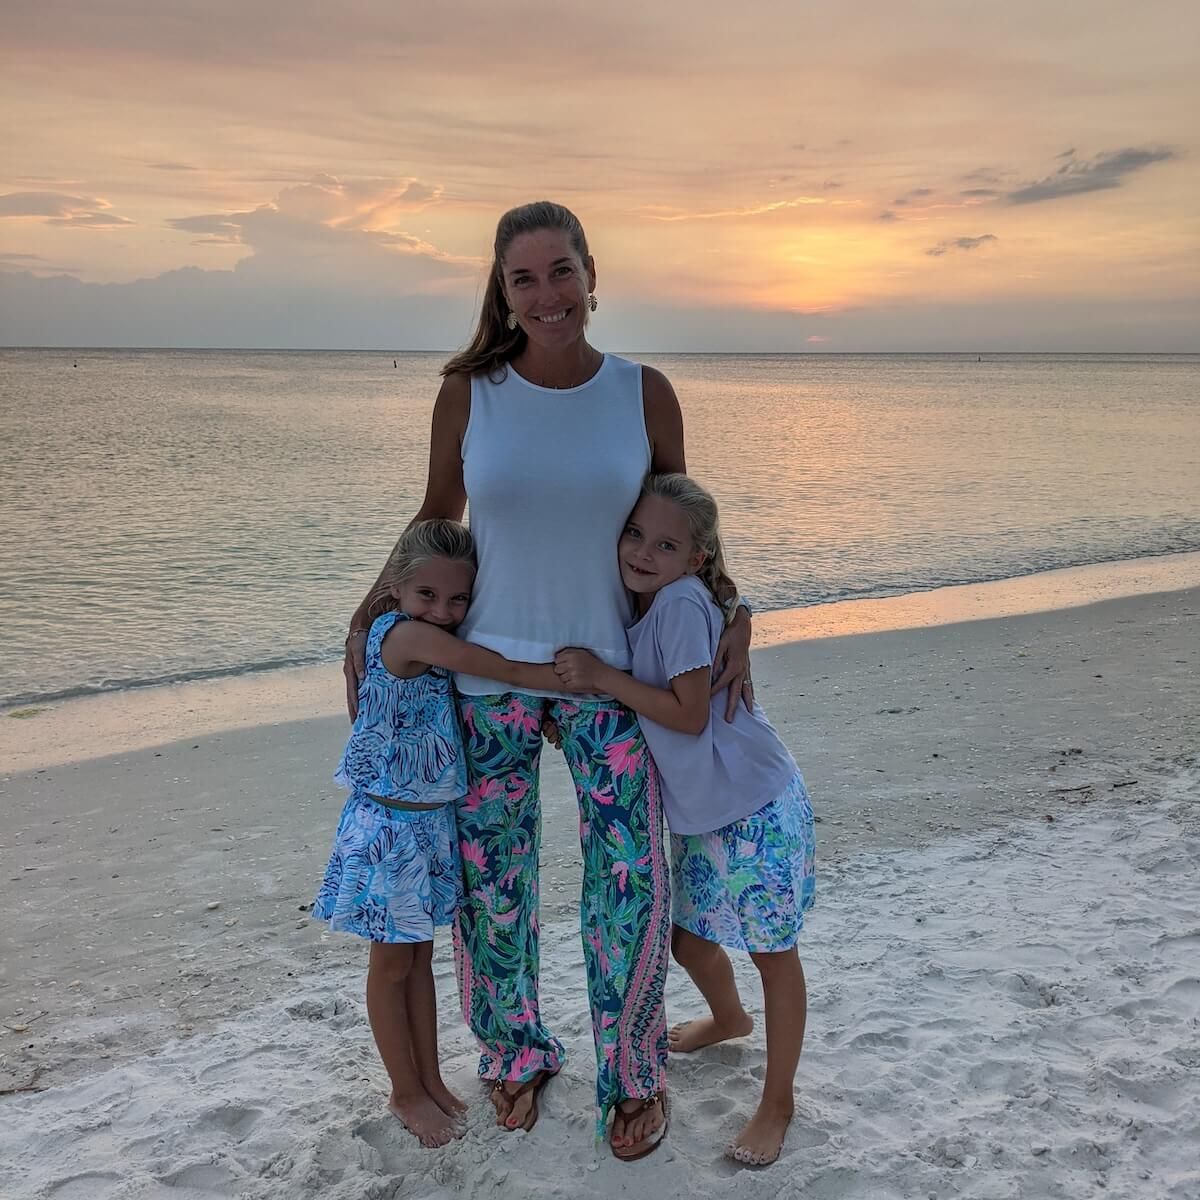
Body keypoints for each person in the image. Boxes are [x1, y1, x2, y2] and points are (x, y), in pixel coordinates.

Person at [344, 201, 754, 1159]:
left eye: (560, 271)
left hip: (612, 677)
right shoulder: (469, 390)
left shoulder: (643, 392)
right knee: (495, 887)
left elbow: (684, 531)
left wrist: (736, 616)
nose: (546, 295)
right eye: (524, 278)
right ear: (503, 289)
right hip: (490, 678)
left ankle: (633, 1075)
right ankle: (515, 1054)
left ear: (591, 274)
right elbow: (435, 515)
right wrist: (372, 611)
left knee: (629, 884)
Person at [554, 474, 816, 1168]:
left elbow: (689, 712)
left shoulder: (674, 605)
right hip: (706, 815)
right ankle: (729, 1020)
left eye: (665, 543)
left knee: (772, 954)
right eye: (634, 534)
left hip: (754, 807)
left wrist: (602, 679)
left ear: (696, 558)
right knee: (686, 942)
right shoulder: (660, 600)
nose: (641, 551)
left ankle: (777, 1102)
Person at [316, 519, 563, 1147]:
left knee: (420, 958)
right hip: (390, 827)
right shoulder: (400, 635)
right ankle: (403, 1091)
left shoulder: (423, 630)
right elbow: (482, 661)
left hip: (428, 824)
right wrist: (563, 683)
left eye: (458, 600)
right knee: (391, 963)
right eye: (427, 595)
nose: (444, 612)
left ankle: (428, 1077)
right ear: (395, 588)